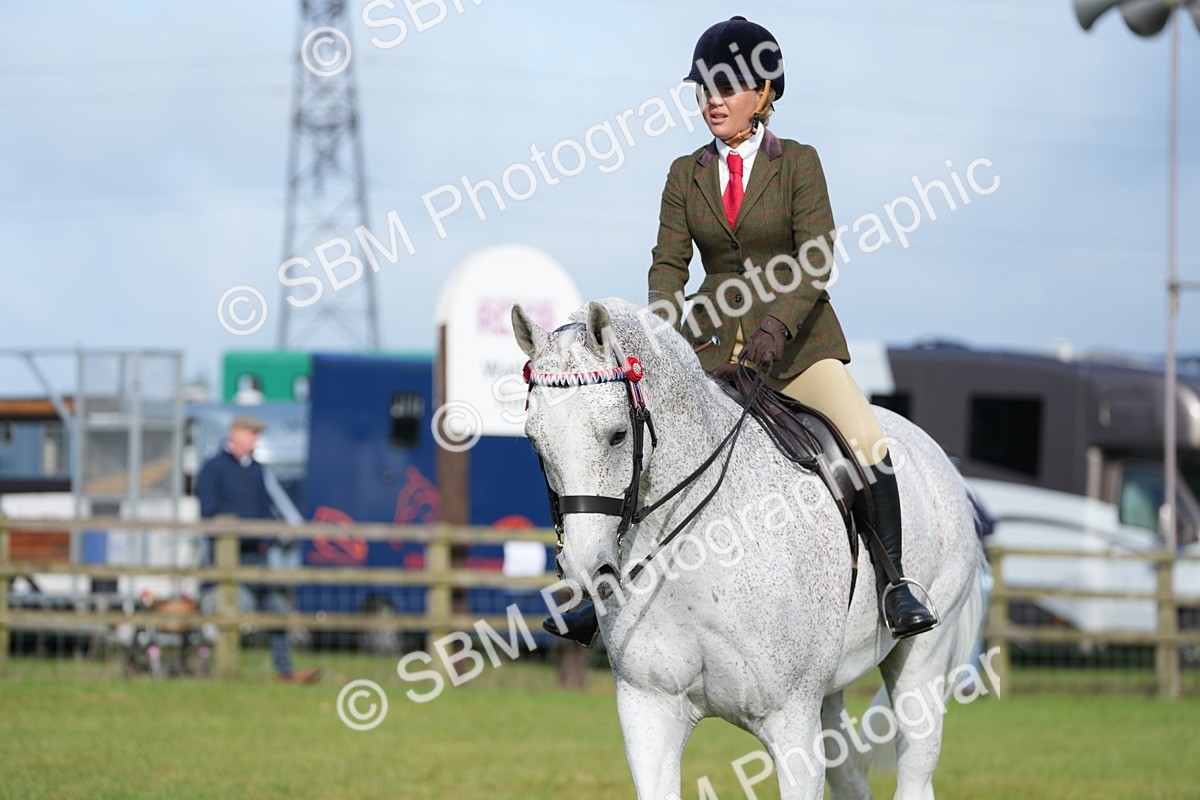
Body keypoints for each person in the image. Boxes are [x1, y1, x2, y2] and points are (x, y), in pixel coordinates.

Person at [545, 16, 936, 645]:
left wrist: (778, 323)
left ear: (764, 93)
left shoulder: (800, 164)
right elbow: (668, 265)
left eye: (726, 87)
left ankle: (895, 583)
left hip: (798, 346)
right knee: (644, 449)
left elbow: (817, 256)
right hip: (708, 344)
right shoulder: (685, 172)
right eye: (703, 88)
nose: (712, 100)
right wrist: (665, 340)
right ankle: (601, 592)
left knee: (863, 437)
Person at [196, 414, 321, 683]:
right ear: (236, 434)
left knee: (276, 609)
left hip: (257, 554)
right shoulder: (213, 468)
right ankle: (219, 668)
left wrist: (269, 536)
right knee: (225, 610)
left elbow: (265, 509)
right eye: (252, 434)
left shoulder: (257, 470)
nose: (256, 440)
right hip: (226, 556)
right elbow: (208, 512)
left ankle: (285, 671)